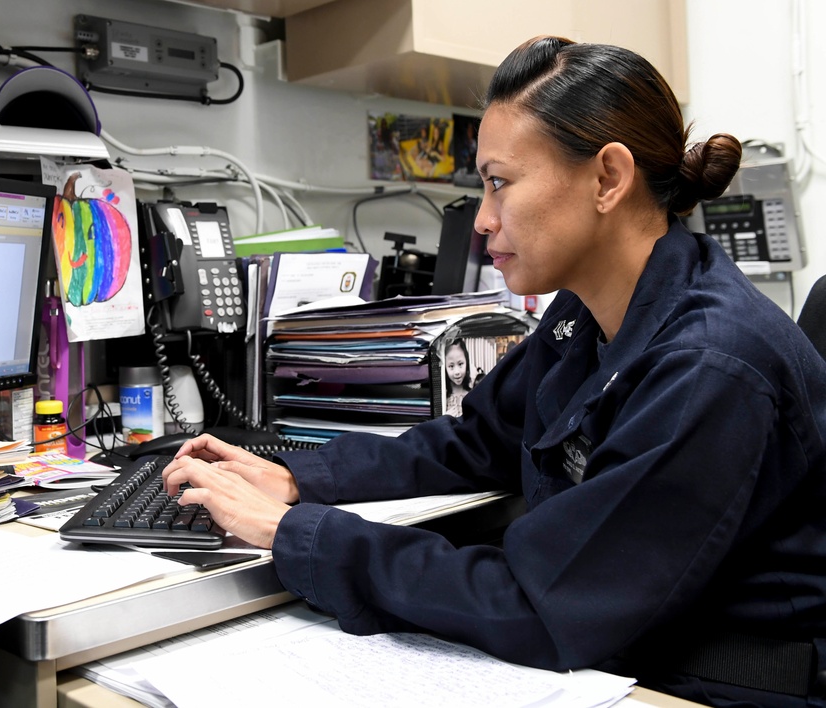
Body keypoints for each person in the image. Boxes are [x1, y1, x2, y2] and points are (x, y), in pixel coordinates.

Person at [163, 36, 826, 707]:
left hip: (720, 687)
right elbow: (474, 441)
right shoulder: (587, 315)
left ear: (608, 179)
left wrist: (292, 534)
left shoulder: (711, 367)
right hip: (635, 647)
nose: (481, 219)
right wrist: (297, 478)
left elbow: (543, 604)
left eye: (500, 183)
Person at [443, 337, 472, 416]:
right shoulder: (442, 398)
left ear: (467, 362)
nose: (457, 372)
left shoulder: (472, 395)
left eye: (460, 364)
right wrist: (444, 419)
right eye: (451, 366)